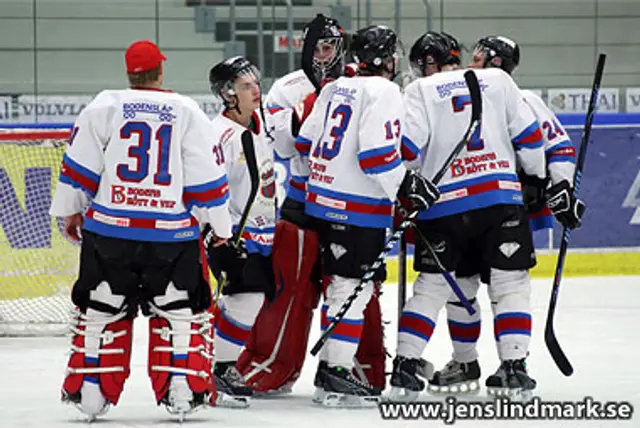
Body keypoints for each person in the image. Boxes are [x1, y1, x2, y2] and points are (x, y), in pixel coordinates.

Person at [50, 40, 233, 421]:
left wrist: (69, 212)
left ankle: (90, 393)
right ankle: (182, 393)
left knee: (101, 309)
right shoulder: (185, 110)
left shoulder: (104, 105)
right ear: (160, 72)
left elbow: (78, 169)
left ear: (129, 72)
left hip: (110, 232)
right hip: (170, 236)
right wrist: (221, 226)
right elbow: (208, 178)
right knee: (179, 312)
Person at [389, 30, 549, 401]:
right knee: (510, 287)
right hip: (500, 199)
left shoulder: (418, 91)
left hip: (443, 206)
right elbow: (530, 138)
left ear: (425, 64)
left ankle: (406, 367)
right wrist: (536, 181)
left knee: (434, 289)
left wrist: (407, 187)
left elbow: (407, 151)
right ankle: (513, 369)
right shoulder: (497, 79)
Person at [235, 14, 387, 397]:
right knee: (288, 291)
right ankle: (271, 367)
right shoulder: (288, 87)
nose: (324, 54)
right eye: (317, 46)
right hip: (303, 203)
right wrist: (309, 107)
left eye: (330, 45)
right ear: (305, 47)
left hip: (352, 201)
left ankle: (355, 369)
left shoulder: (362, 83)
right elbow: (284, 147)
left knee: (358, 292)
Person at [428, 35, 585, 396]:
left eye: (480, 53)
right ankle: (465, 361)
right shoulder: (455, 94)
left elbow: (557, 147)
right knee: (461, 287)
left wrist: (559, 188)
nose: (473, 58)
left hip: (506, 208)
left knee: (507, 288)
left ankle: (513, 364)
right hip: (465, 206)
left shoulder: (522, 98)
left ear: (495, 61)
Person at [295, 24, 440, 407]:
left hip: (322, 202)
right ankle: (335, 373)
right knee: (351, 291)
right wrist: (405, 186)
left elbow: (304, 142)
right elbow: (376, 157)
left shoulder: (334, 86)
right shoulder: (386, 91)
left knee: (341, 289)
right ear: (385, 59)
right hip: (356, 206)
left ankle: (331, 370)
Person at [206, 55, 302, 407]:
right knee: (245, 300)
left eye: (255, 83)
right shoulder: (221, 135)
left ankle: (216, 365)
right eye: (246, 86)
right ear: (228, 94)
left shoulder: (257, 124)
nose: (255, 90)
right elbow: (209, 187)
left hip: (261, 233)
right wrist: (216, 233)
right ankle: (218, 368)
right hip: (233, 234)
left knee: (251, 300)